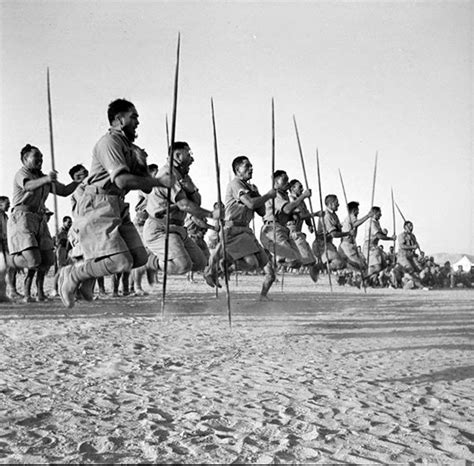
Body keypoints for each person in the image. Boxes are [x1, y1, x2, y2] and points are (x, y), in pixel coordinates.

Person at [58, 98, 173, 308]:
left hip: (117, 204)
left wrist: (142, 165)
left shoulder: (130, 147)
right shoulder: (108, 142)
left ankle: (85, 281)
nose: (137, 122)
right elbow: (121, 180)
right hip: (98, 203)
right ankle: (73, 274)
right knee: (121, 261)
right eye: (133, 117)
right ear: (119, 120)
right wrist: (159, 181)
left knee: (139, 258)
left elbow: (146, 188)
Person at [8, 144, 79, 302]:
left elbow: (65, 191)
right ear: (25, 159)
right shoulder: (22, 173)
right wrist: (47, 178)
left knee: (46, 260)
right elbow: (28, 186)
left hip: (39, 218)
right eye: (36, 156)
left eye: (41, 156)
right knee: (33, 260)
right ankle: (8, 262)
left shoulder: (43, 178)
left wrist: (77, 181)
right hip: (22, 217)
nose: (40, 159)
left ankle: (39, 292)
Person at [143, 142, 220, 277]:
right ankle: (148, 261)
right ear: (178, 156)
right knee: (183, 265)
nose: (192, 158)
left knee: (200, 262)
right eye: (188, 154)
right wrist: (211, 214)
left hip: (178, 229)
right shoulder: (167, 174)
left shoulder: (183, 176)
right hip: (161, 228)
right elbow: (185, 205)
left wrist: (192, 190)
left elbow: (196, 200)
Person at [205, 156, 276, 298]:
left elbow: (261, 211)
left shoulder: (251, 187)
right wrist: (268, 195)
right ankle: (218, 268)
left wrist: (258, 194)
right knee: (251, 262)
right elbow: (250, 204)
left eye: (251, 166)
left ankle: (223, 267)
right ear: (238, 170)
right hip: (233, 230)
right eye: (247, 166)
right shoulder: (235, 184)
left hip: (246, 230)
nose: (251, 169)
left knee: (260, 265)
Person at [260, 171, 320, 282]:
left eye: (288, 180)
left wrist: (306, 222)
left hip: (283, 229)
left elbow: (290, 214)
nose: (287, 183)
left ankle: (272, 259)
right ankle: (268, 259)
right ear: (275, 182)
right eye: (284, 180)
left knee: (298, 262)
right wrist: (303, 197)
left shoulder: (285, 196)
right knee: (292, 260)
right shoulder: (275, 195)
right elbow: (287, 209)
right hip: (272, 230)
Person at [313, 194, 353, 271]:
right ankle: (318, 267)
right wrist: (348, 233)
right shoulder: (327, 216)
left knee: (341, 264)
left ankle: (321, 266)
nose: (338, 204)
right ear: (330, 204)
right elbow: (334, 234)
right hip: (321, 244)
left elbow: (338, 229)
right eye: (336, 202)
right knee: (340, 263)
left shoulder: (334, 215)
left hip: (328, 244)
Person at [362, 207, 396, 281]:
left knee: (384, 265)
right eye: (379, 213)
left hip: (374, 246)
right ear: (374, 213)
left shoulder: (376, 222)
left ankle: (367, 279)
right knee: (377, 267)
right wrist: (391, 238)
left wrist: (384, 233)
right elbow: (379, 236)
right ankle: (363, 277)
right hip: (369, 247)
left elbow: (381, 234)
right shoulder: (371, 223)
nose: (381, 214)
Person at [338, 201, 373, 273]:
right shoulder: (352, 217)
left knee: (356, 265)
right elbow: (355, 224)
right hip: (348, 246)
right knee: (360, 265)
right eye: (358, 210)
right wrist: (367, 216)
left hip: (345, 245)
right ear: (354, 210)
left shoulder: (347, 218)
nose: (358, 212)